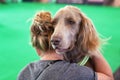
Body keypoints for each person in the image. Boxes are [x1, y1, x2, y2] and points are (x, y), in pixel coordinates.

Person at [18, 11, 113, 80]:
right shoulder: (74, 72)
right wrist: (91, 45)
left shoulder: (24, 72)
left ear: (37, 49)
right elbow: (108, 78)